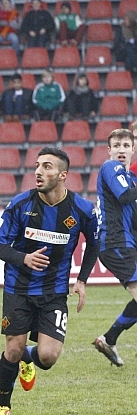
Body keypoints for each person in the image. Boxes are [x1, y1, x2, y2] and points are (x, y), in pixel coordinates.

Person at [0, 147, 99, 415]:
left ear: (63, 175)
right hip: (18, 289)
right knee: (12, 349)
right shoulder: (20, 205)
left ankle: (28, 359)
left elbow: (95, 243)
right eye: (37, 166)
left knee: (48, 357)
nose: (38, 171)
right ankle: (3, 405)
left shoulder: (82, 209)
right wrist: (24, 258)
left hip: (54, 292)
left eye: (47, 167)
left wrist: (82, 280)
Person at [91, 129, 137, 368]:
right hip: (115, 243)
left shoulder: (131, 179)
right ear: (109, 150)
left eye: (126, 145)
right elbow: (125, 196)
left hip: (127, 243)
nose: (121, 150)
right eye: (116, 145)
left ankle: (109, 339)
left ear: (133, 149)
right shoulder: (110, 167)